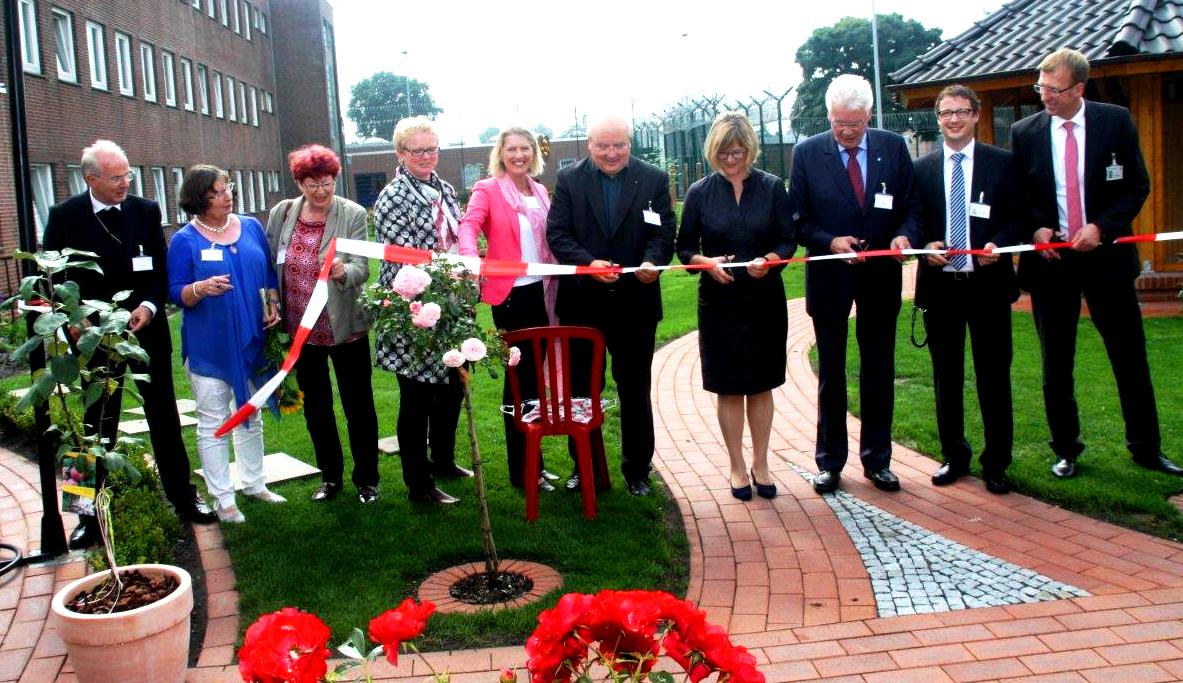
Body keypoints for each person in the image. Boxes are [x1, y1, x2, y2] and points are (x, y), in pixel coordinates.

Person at [1011, 47, 1182, 478]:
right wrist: (1036, 230)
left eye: (1054, 89)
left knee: (1129, 356)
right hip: (1053, 263)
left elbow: (1137, 186)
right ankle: (1065, 449)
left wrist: (1101, 227)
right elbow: (1018, 197)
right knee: (1056, 362)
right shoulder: (1025, 132)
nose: (1045, 96)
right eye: (1041, 87)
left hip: (1107, 260)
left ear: (1079, 88)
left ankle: (1146, 447)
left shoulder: (1115, 121)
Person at [42, 140, 218, 549]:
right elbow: (52, 278)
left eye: (128, 176)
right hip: (95, 338)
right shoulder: (64, 216)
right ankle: (85, 515)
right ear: (91, 179)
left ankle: (184, 496)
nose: (125, 184)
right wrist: (75, 318)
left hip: (146, 333)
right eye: (116, 178)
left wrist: (149, 306)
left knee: (165, 417)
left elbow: (159, 271)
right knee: (93, 426)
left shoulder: (145, 210)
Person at [790, 74, 923, 494]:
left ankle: (877, 460)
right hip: (830, 277)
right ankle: (829, 461)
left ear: (869, 115)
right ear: (829, 116)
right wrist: (829, 241)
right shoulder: (807, 153)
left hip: (880, 276)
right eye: (839, 123)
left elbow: (912, 206)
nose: (847, 132)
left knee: (878, 367)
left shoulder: (892, 147)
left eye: (855, 123)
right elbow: (797, 219)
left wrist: (904, 237)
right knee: (831, 371)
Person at [547, 115, 676, 497]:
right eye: (603, 146)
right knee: (582, 391)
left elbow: (663, 232)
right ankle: (586, 467)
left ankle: (637, 470)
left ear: (629, 144)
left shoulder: (653, 179)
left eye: (619, 145)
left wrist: (653, 262)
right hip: (582, 303)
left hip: (636, 303)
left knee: (634, 389)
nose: (611, 153)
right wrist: (589, 264)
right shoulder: (569, 180)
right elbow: (558, 233)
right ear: (589, 145)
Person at [675, 112, 796, 501]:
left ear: (750, 150)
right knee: (728, 387)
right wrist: (705, 263)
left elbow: (788, 239)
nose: (731, 159)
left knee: (761, 386)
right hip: (719, 305)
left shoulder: (772, 187)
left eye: (738, 152)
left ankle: (761, 462)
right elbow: (684, 248)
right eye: (724, 153)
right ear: (714, 151)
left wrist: (771, 260)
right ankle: (736, 465)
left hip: (764, 302)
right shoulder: (699, 193)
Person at [913, 85, 1020, 494]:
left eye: (961, 111)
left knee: (994, 376)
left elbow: (1018, 217)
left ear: (975, 115)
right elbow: (913, 220)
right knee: (947, 377)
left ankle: (997, 462)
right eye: (946, 113)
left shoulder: (1002, 163)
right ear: (938, 118)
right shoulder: (922, 168)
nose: (953, 119)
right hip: (942, 288)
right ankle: (954, 456)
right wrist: (925, 247)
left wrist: (1000, 244)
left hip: (988, 287)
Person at [168, 165, 287, 523]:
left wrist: (272, 304)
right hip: (210, 345)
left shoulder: (250, 226)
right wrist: (199, 288)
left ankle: (254, 483)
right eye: (218, 191)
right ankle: (223, 498)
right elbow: (175, 291)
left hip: (253, 337)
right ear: (199, 199)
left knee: (251, 411)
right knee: (213, 421)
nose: (228, 195)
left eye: (228, 187)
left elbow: (268, 273)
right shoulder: (184, 240)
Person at [267, 144, 380, 504]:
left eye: (327, 182)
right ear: (299, 183)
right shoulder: (283, 213)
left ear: (335, 179)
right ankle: (330, 477)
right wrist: (271, 300)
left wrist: (343, 271)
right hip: (302, 331)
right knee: (317, 409)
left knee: (358, 407)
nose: (321, 191)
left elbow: (363, 268)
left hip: (345, 329)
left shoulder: (352, 213)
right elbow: (271, 264)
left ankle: (367, 480)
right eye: (312, 183)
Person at [458, 127, 561, 493]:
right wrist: (471, 261)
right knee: (518, 381)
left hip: (544, 292)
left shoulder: (539, 191)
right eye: (512, 149)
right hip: (512, 297)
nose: (519, 155)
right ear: (500, 154)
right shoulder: (487, 189)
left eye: (525, 148)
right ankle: (522, 469)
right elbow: (468, 226)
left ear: (534, 153)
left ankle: (536, 461)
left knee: (534, 381)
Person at [373, 116, 469, 505]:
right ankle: (419, 484)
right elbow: (406, 256)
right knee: (417, 399)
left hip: (451, 305)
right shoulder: (392, 197)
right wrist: (451, 272)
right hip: (412, 308)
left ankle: (442, 459)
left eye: (432, 149)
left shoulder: (445, 189)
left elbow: (458, 238)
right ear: (401, 153)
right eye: (418, 151)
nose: (427, 156)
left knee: (452, 388)